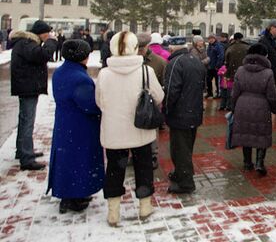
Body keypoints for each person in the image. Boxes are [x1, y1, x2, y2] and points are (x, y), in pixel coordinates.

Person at [95, 31, 164, 226]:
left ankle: (114, 212)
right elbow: (158, 97)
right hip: (139, 129)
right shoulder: (145, 71)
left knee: (114, 170)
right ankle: (144, 206)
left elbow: (99, 101)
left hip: (114, 131)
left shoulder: (104, 73)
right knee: (144, 167)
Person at [48, 39, 103, 214]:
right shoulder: (80, 79)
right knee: (80, 159)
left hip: (65, 122)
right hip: (80, 125)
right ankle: (75, 195)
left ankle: (67, 192)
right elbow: (90, 105)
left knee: (65, 158)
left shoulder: (61, 72)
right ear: (83, 56)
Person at [10, 20, 57, 170]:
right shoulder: (27, 43)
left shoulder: (26, 43)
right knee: (27, 121)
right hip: (27, 87)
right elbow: (43, 55)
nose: (48, 35)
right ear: (41, 33)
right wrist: (51, 42)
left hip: (27, 86)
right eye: (47, 33)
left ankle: (22, 151)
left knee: (24, 119)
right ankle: (26, 157)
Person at [163, 40, 206, 194]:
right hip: (194, 111)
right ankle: (181, 173)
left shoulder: (175, 63)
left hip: (180, 114)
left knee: (179, 149)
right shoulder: (196, 61)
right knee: (187, 146)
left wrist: (166, 110)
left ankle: (186, 182)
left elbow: (171, 91)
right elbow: (203, 86)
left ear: (173, 47)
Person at [231, 43, 276, 175]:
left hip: (242, 106)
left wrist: (233, 106)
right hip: (261, 107)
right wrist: (275, 109)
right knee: (261, 135)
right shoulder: (268, 72)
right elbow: (271, 95)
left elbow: (235, 92)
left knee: (245, 134)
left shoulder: (240, 70)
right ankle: (259, 163)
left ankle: (247, 163)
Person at [137, 33, 168, 168]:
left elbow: (164, 84)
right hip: (133, 103)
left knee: (151, 131)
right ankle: (136, 155)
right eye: (138, 48)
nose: (140, 51)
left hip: (152, 104)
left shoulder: (159, 62)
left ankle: (153, 156)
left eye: (142, 48)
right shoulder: (131, 60)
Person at [223, 32, 249, 110]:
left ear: (234, 39)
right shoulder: (247, 47)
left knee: (233, 91)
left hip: (232, 73)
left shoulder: (230, 48)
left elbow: (226, 62)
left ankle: (233, 107)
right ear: (242, 38)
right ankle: (243, 106)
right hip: (246, 72)